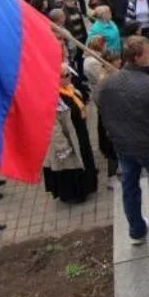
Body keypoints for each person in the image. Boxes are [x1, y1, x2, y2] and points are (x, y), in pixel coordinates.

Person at [95, 37, 149, 248]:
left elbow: (98, 101)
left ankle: (136, 231)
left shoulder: (107, 83)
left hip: (122, 146)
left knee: (129, 188)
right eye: (147, 53)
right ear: (138, 57)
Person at [43, 65, 98, 204]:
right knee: (71, 164)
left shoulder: (71, 90)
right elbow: (53, 127)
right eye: (66, 75)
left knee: (84, 158)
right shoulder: (53, 98)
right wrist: (62, 145)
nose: (70, 77)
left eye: (69, 74)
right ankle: (74, 194)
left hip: (79, 132)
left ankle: (88, 186)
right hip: (68, 138)